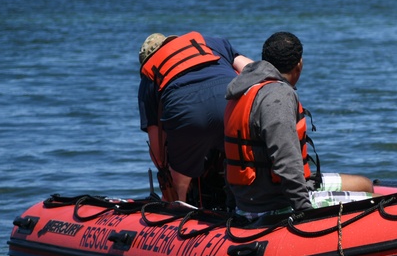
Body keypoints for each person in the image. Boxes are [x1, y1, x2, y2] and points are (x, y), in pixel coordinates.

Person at [224, 31, 373, 217]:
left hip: (249, 198)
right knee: (372, 199)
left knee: (364, 184)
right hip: (274, 205)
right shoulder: (278, 96)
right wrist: (305, 211)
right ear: (299, 64)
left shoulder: (243, 89)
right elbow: (285, 160)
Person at [138, 31, 252, 206]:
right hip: (233, 101)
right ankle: (247, 207)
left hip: (188, 112)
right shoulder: (210, 42)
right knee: (238, 155)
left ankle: (179, 210)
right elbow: (251, 69)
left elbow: (157, 148)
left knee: (178, 177)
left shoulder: (149, 73)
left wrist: (169, 170)